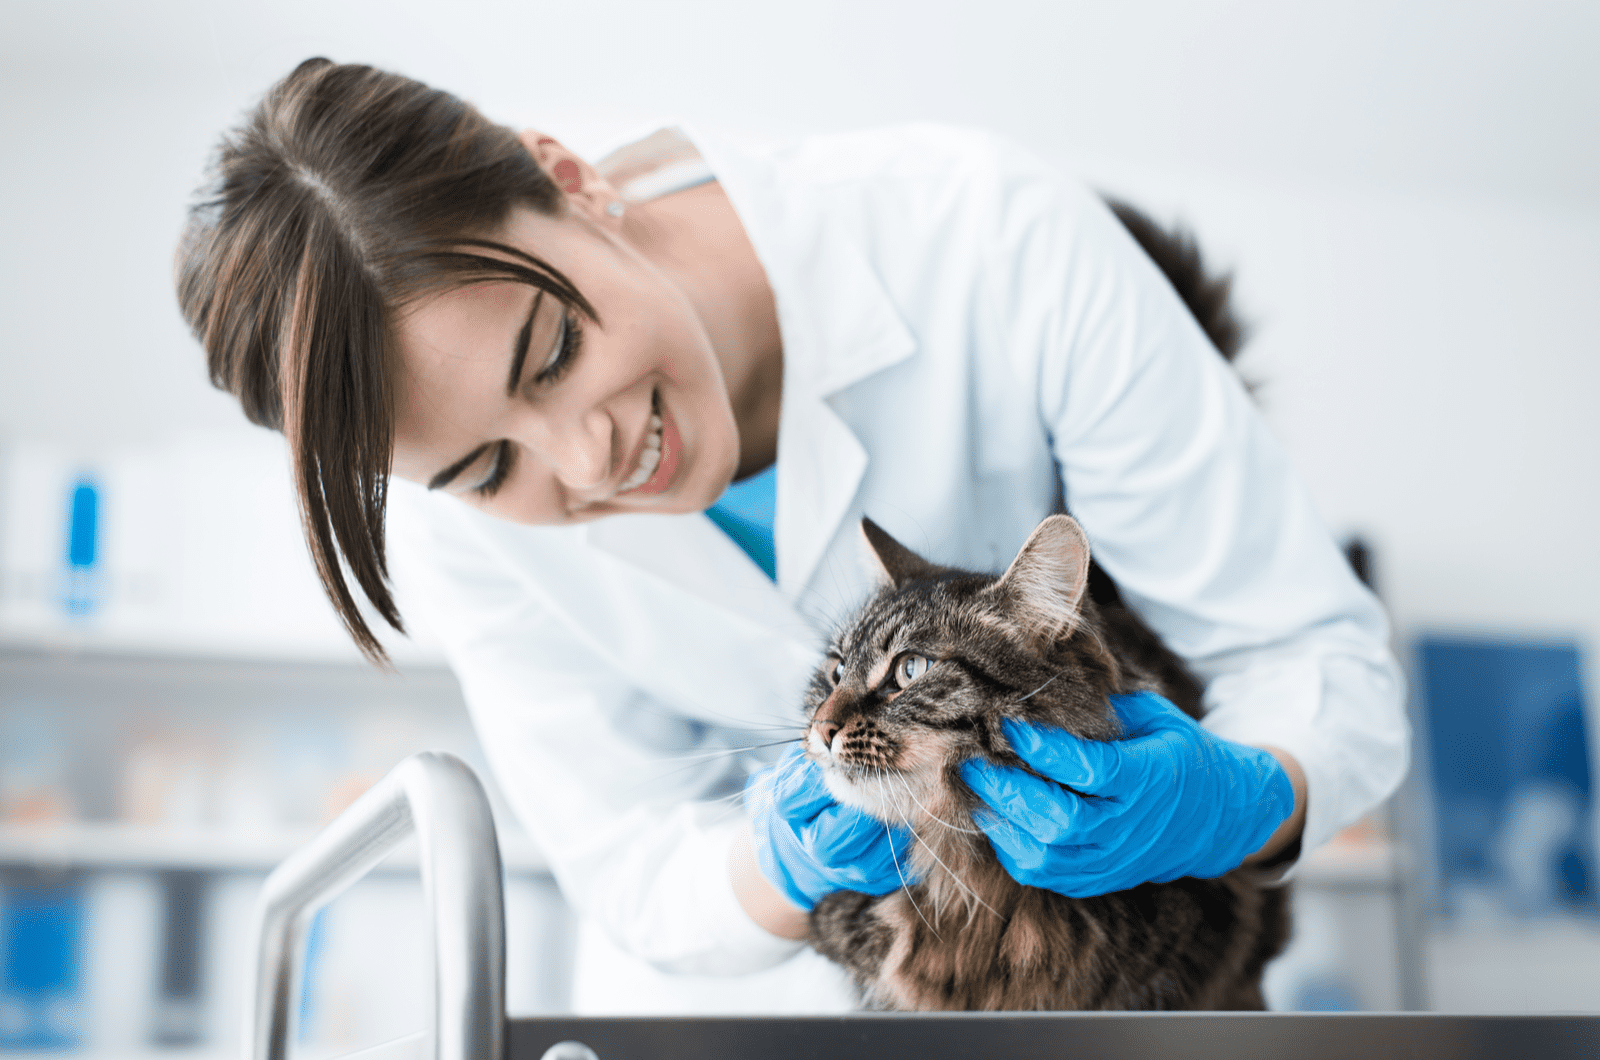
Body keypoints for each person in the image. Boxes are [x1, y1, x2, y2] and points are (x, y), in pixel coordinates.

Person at [175, 59, 1408, 1013]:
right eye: (490, 463)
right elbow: (631, 857)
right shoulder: (465, 536)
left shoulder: (979, 233)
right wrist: (776, 861)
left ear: (571, 178)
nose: (588, 458)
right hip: (753, 1010)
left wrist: (1229, 798)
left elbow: (1308, 655)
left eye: (552, 353)